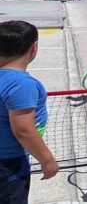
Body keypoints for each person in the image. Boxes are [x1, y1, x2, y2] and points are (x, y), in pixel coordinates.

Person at [0, 21, 58, 202]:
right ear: (34, 47)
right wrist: (47, 159)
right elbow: (23, 130)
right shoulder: (21, 84)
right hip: (9, 162)